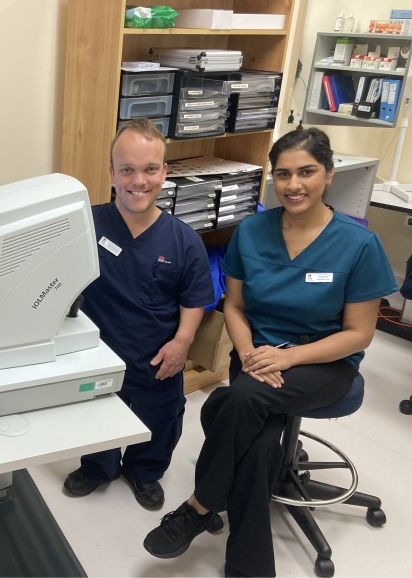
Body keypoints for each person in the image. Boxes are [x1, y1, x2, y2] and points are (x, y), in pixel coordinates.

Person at [143, 128, 398, 577]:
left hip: (322, 362)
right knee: (258, 439)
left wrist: (289, 358)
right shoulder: (251, 231)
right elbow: (235, 307)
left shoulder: (358, 244)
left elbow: (359, 334)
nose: (293, 184)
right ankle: (250, 566)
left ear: (329, 174)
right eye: (283, 174)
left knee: (232, 401)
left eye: (307, 172)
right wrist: (251, 352)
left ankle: (201, 505)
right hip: (256, 352)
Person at [63, 118, 213, 510]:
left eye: (150, 169)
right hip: (99, 351)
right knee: (96, 414)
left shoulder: (184, 240)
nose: (138, 181)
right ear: (111, 172)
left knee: (160, 418)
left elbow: (194, 299)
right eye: (127, 169)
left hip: (157, 355)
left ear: (164, 172)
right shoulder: (86, 224)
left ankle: (144, 471)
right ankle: (98, 467)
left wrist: (182, 343)